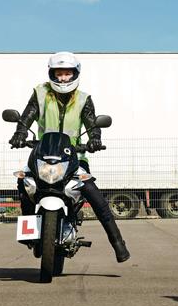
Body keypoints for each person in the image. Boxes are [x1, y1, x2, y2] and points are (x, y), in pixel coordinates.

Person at [9, 51, 130, 263]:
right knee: (24, 184)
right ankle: (29, 232)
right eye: (59, 73)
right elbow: (28, 115)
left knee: (95, 196)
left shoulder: (84, 99)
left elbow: (92, 124)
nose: (63, 78)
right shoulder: (40, 93)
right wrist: (20, 133)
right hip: (43, 155)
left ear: (75, 74)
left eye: (67, 73)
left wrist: (94, 139)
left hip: (75, 157)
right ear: (52, 74)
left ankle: (118, 244)